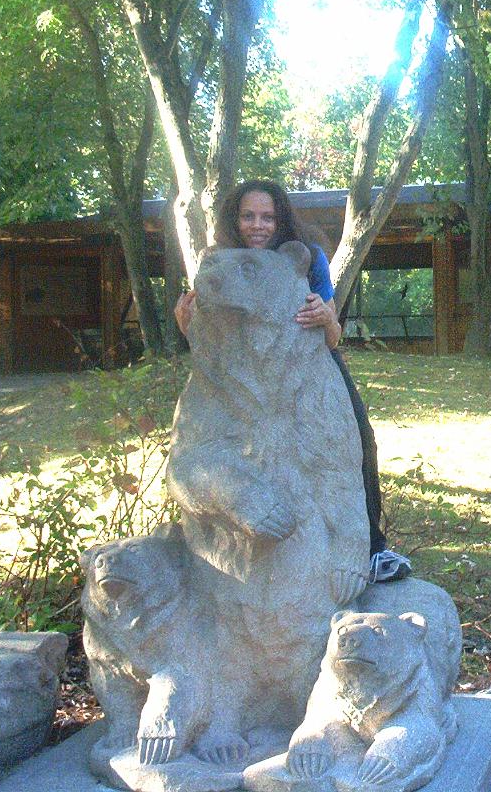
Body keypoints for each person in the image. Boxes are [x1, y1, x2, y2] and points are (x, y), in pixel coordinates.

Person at [174, 179, 411, 583]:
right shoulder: (221, 263)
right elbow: (208, 339)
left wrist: (326, 318)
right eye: (248, 216)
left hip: (308, 367)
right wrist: (189, 326)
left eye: (267, 217)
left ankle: (372, 547)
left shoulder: (308, 259)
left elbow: (332, 338)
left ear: (280, 220)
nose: (257, 226)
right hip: (241, 382)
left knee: (357, 439)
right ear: (235, 220)